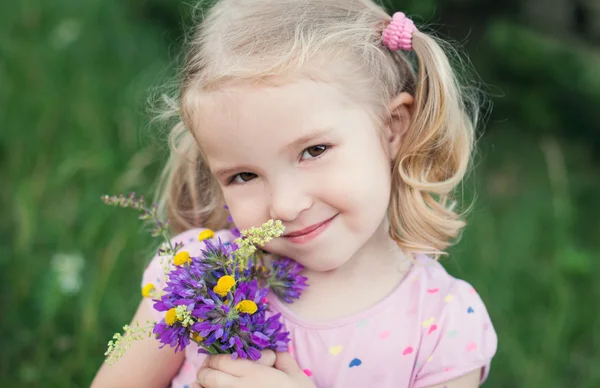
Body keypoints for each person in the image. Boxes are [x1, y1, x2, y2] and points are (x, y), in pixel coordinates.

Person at [91, 0, 498, 387]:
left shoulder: (444, 325)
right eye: (244, 175)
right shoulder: (194, 278)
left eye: (313, 151)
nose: (284, 205)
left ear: (392, 128)